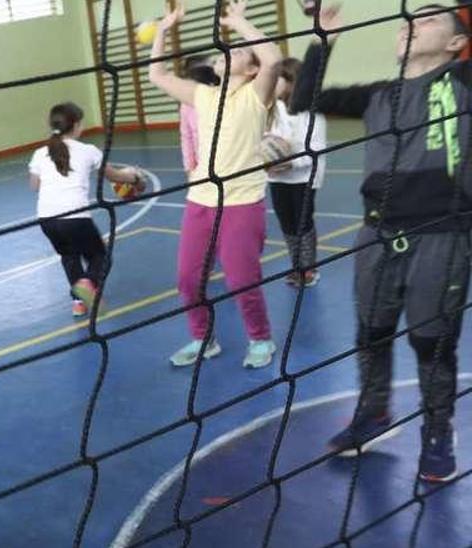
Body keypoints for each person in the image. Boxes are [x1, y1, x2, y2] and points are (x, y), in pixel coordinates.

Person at [291, 3, 472, 483]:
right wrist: (323, 39)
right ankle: (373, 415)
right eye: (407, 20)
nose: (412, 23)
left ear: (457, 43)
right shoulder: (377, 95)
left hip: (442, 237)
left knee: (432, 343)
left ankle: (438, 431)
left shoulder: (463, 82)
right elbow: (301, 98)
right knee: (371, 332)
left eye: (430, 19)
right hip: (375, 235)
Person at [149, 0, 281, 369]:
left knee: (242, 279)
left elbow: (272, 60)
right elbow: (156, 76)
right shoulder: (202, 95)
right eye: (223, 53)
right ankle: (202, 338)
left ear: (251, 68)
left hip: (243, 201)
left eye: (237, 52)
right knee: (188, 280)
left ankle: (260, 338)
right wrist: (162, 30)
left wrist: (240, 22)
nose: (227, 53)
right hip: (201, 199)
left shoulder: (257, 95)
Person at [28, 102, 146, 317]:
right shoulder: (88, 151)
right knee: (100, 257)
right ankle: (87, 283)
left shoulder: (39, 153)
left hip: (46, 219)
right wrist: (135, 177)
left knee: (69, 257)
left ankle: (78, 303)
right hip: (75, 217)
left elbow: (34, 186)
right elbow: (115, 176)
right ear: (76, 125)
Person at [266, 57, 327, 288]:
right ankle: (296, 267)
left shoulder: (311, 111)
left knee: (302, 222)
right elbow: (266, 141)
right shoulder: (273, 108)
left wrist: (290, 163)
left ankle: (309, 268)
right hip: (277, 177)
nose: (272, 83)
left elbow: (316, 148)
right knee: (286, 222)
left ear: (292, 81)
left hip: (303, 177)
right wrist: (267, 160)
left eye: (277, 79)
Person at [179, 54, 221, 175]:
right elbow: (187, 136)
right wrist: (189, 166)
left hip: (228, 163)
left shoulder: (221, 95)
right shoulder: (186, 103)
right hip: (203, 166)